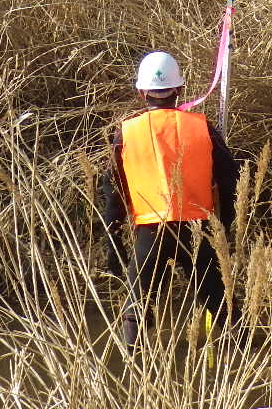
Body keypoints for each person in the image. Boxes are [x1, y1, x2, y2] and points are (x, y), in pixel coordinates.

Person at [99, 51, 240, 350]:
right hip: (195, 229)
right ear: (180, 90)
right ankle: (248, 356)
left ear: (141, 92)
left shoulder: (125, 133)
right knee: (220, 302)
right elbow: (230, 179)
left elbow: (113, 194)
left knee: (136, 308)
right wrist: (225, 226)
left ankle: (131, 371)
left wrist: (112, 245)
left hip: (150, 231)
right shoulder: (203, 128)